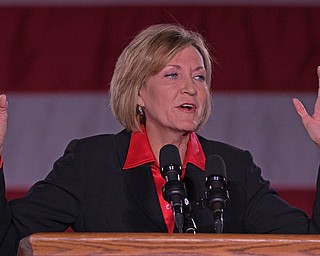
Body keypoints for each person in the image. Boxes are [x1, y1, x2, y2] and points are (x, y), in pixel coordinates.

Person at [0, 23, 320, 255]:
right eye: (172, 74)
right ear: (138, 92)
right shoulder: (91, 163)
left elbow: (310, 243)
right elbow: (8, 240)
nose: (191, 88)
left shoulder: (234, 169)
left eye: (199, 76)